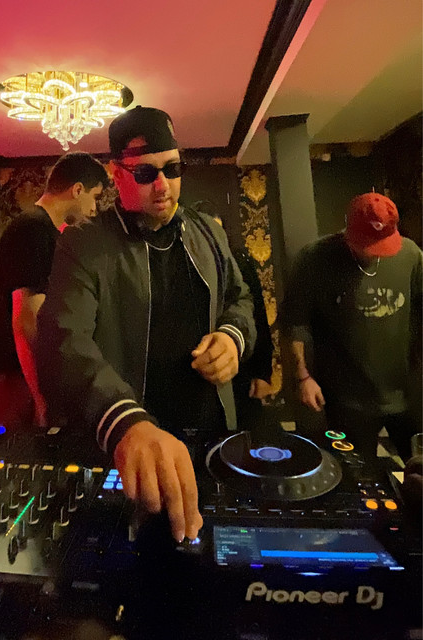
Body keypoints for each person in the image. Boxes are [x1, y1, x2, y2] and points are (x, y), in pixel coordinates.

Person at [36, 106, 256, 542]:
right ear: (115, 174)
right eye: (145, 173)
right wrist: (125, 422)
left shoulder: (208, 232)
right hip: (127, 447)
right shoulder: (84, 243)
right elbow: (62, 341)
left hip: (211, 437)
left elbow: (240, 298)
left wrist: (233, 337)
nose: (163, 185)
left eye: (173, 169)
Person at [281, 192, 422, 460]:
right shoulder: (315, 258)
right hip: (346, 399)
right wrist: (303, 378)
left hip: (406, 392)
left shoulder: (411, 255)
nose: (373, 251)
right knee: (358, 474)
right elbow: (295, 322)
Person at [0, 152, 108, 430]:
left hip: (17, 375)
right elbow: (26, 319)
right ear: (77, 190)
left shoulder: (46, 230)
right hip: (12, 378)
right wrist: (41, 395)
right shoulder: (33, 228)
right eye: (95, 198)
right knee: (14, 454)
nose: (94, 209)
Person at [191, 201, 273, 431]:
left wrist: (263, 373)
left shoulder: (238, 259)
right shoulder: (186, 262)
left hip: (241, 361)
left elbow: (257, 315)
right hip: (200, 364)